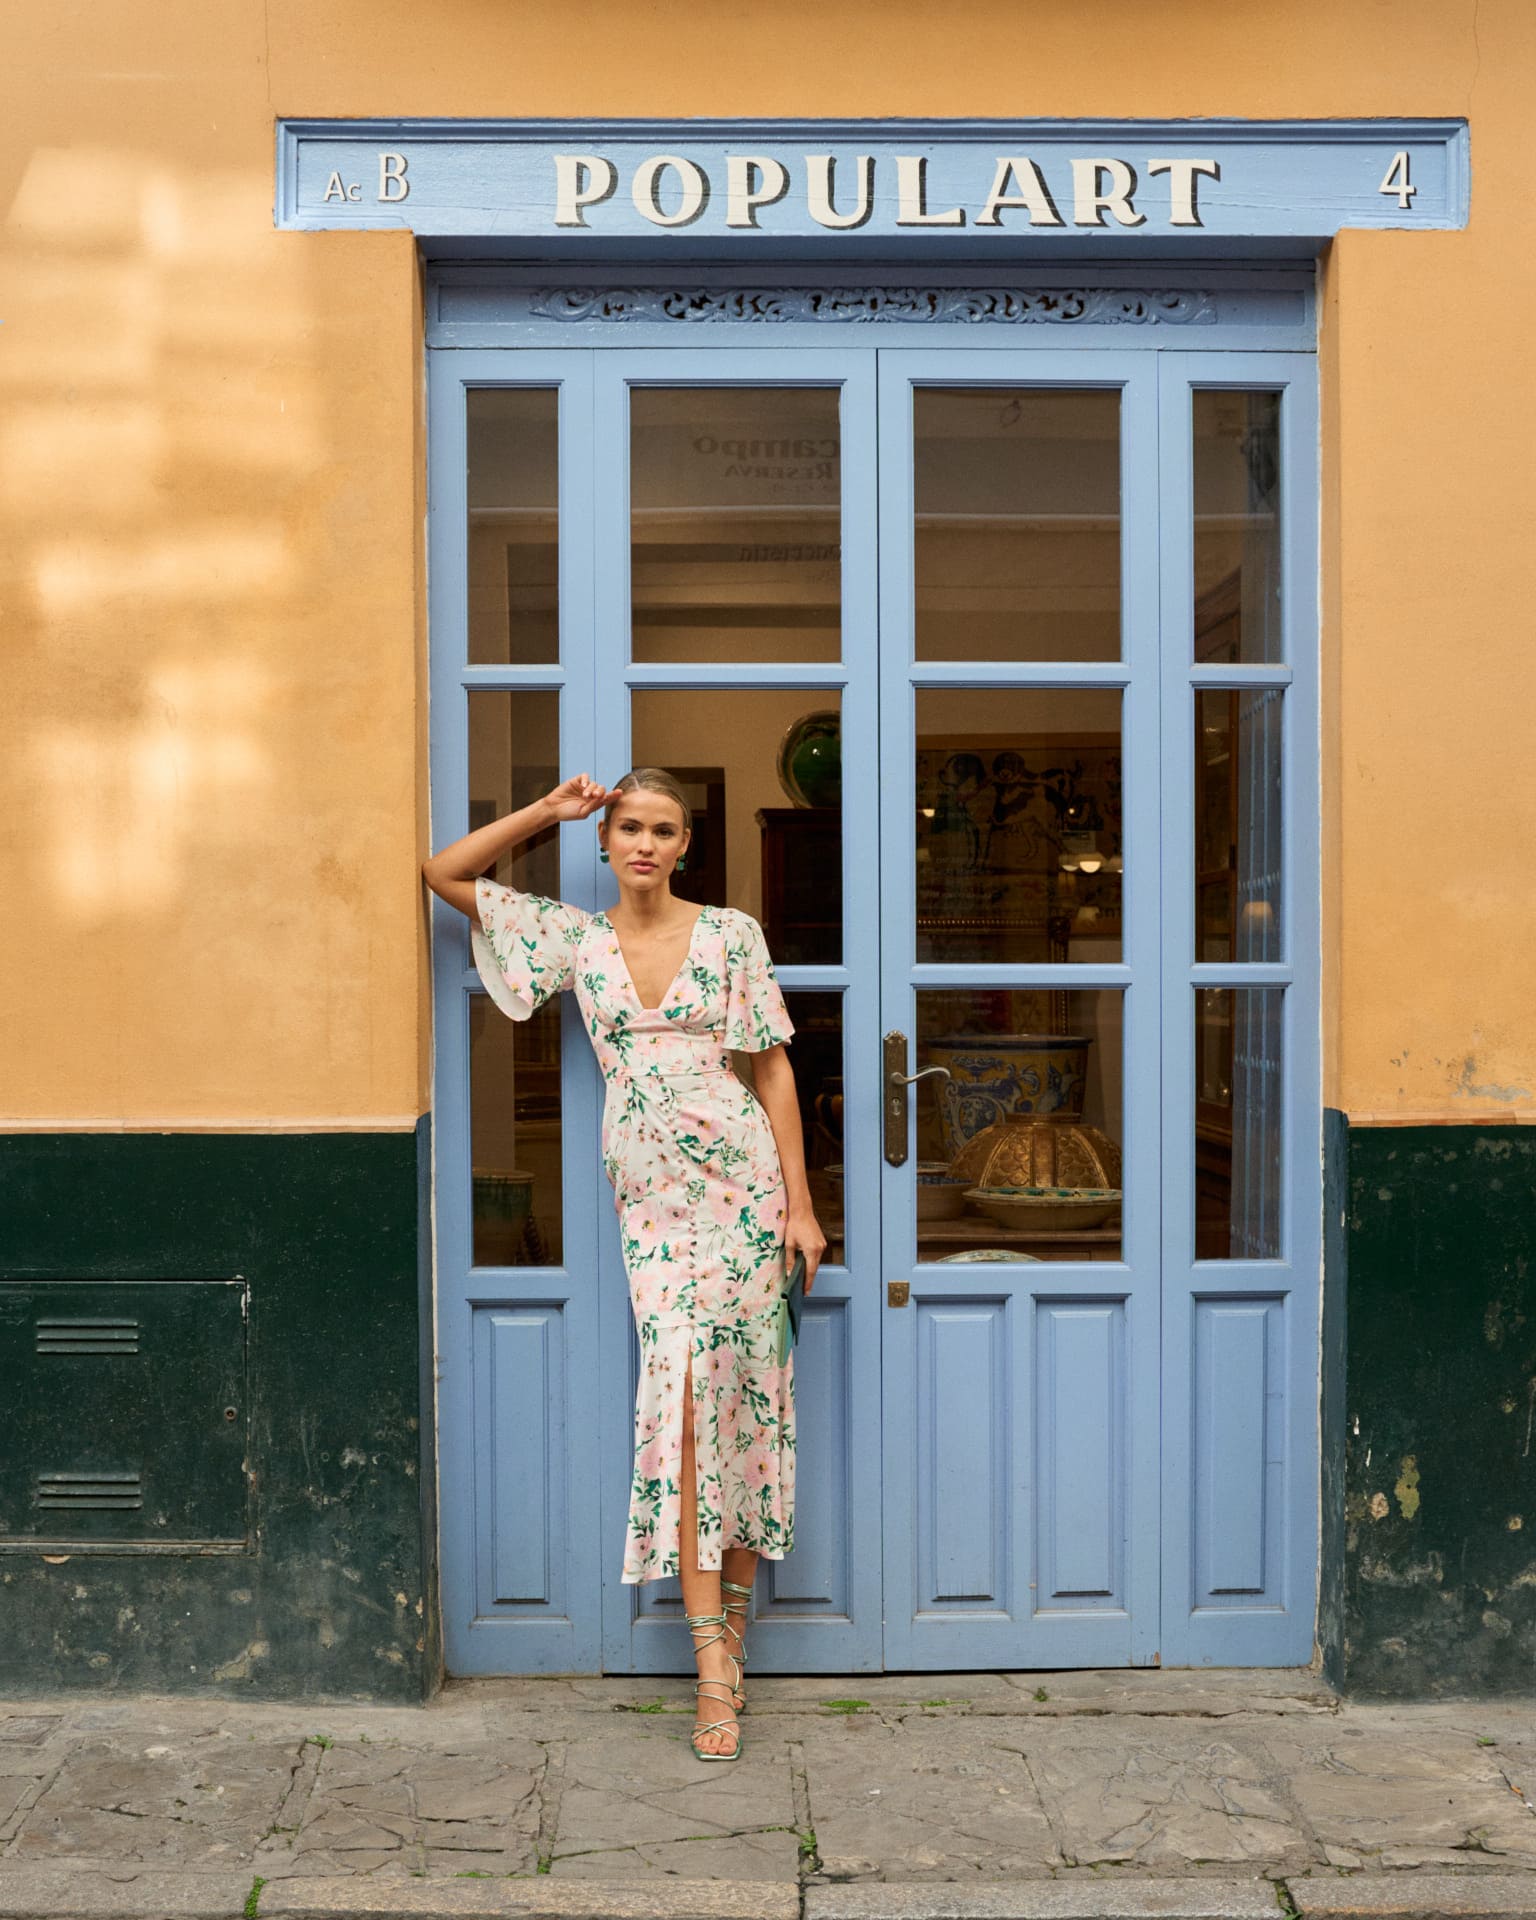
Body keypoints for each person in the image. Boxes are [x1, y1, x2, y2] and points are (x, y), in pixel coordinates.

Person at [423, 767, 827, 1761]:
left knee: (743, 1399)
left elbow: (771, 1066)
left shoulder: (731, 935)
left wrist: (805, 1207)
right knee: (682, 1402)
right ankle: (710, 1658)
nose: (645, 843)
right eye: (629, 827)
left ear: (687, 844)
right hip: (648, 1197)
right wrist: (548, 813)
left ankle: (730, 1641)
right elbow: (443, 872)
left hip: (742, 1187)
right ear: (608, 842)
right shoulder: (577, 939)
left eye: (663, 829)